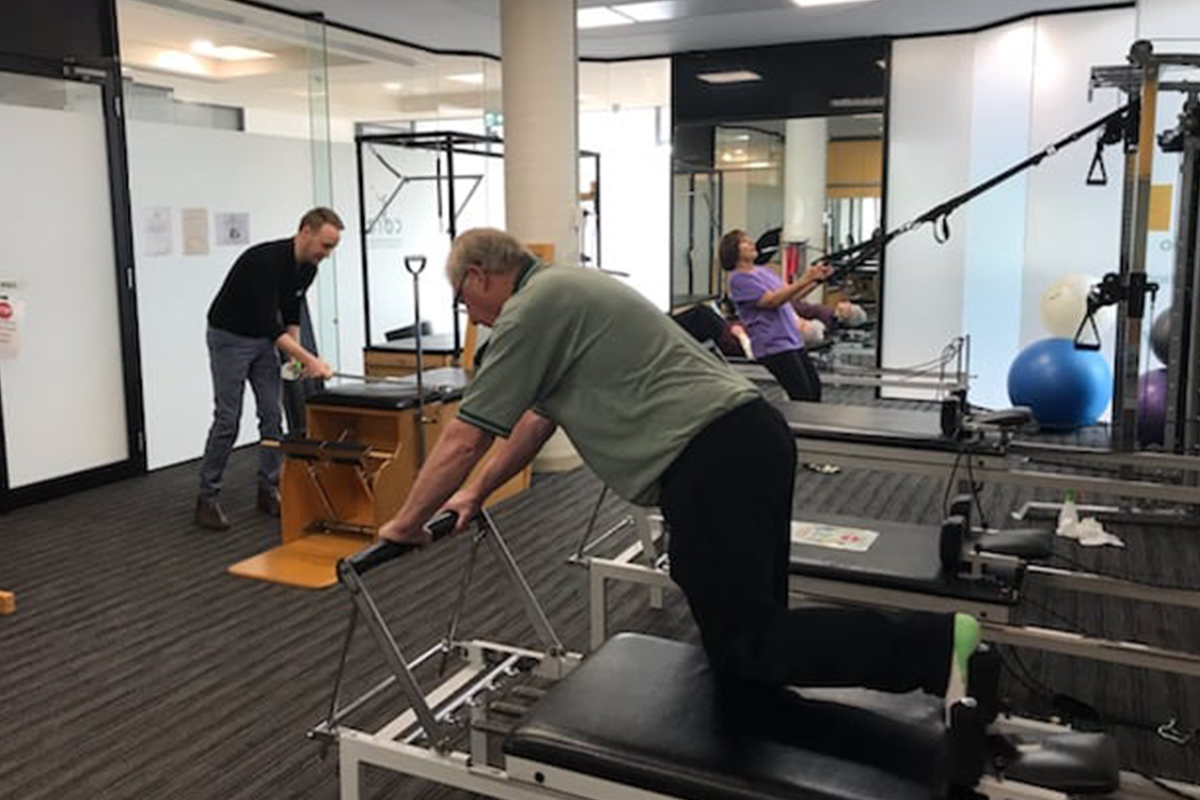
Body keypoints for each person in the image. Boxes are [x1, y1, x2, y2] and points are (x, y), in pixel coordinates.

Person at [378, 227, 979, 704]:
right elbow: (535, 421)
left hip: (714, 459)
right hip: (746, 441)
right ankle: (778, 731)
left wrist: (405, 523)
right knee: (746, 627)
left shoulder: (530, 309)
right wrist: (475, 494)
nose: (471, 317)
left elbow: (465, 437)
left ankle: (936, 648)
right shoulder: (564, 287)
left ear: (478, 275)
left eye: (464, 301)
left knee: (749, 643)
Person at [194, 207, 341, 531]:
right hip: (229, 338)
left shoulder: (308, 268)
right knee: (228, 419)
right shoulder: (263, 262)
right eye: (326, 245)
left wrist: (296, 358)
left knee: (272, 416)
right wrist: (310, 360)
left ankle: (268, 489)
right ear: (306, 232)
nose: (327, 254)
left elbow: (290, 313)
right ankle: (207, 498)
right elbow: (270, 326)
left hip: (262, 341)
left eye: (333, 247)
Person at [720, 229, 830, 402]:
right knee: (803, 395)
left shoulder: (763, 271)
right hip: (773, 344)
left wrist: (817, 280)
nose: (752, 244)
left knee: (814, 390)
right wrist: (805, 278)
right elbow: (771, 301)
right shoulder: (738, 279)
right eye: (745, 242)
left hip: (791, 339)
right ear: (733, 251)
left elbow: (791, 296)